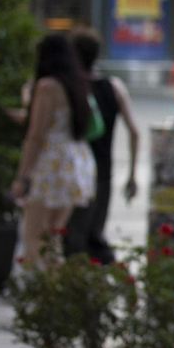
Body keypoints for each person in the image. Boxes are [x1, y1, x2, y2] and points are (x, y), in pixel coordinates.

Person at [12, 34, 95, 269]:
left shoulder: (47, 86)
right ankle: (58, 294)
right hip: (74, 162)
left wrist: (22, 176)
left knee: (33, 237)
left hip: (50, 164)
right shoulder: (76, 83)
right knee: (52, 237)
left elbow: (37, 135)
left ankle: (41, 292)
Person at [65, 31, 139, 264]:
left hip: (75, 172)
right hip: (103, 172)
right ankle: (115, 285)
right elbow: (134, 131)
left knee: (73, 238)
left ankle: (78, 287)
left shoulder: (68, 88)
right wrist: (132, 175)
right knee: (95, 234)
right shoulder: (113, 87)